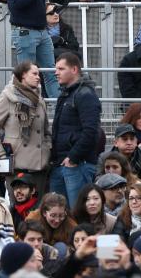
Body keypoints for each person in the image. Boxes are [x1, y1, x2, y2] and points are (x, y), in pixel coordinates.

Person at [2, 0, 72, 98]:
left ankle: (58, 111)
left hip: (42, 33)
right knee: (27, 76)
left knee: (52, 74)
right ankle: (26, 112)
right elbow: (15, 4)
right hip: (24, 33)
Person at [0, 61, 52, 197]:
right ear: (23, 75)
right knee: (18, 210)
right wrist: (1, 155)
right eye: (34, 73)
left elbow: (46, 131)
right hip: (17, 166)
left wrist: (46, 149)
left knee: (37, 212)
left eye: (39, 74)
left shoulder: (39, 99)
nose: (38, 77)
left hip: (39, 166)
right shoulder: (8, 96)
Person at [48, 52, 102, 208]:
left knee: (78, 214)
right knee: (59, 216)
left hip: (78, 165)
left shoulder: (85, 95)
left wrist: (73, 157)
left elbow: (91, 132)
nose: (56, 72)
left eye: (61, 68)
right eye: (56, 68)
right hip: (62, 164)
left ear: (74, 69)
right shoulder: (66, 94)